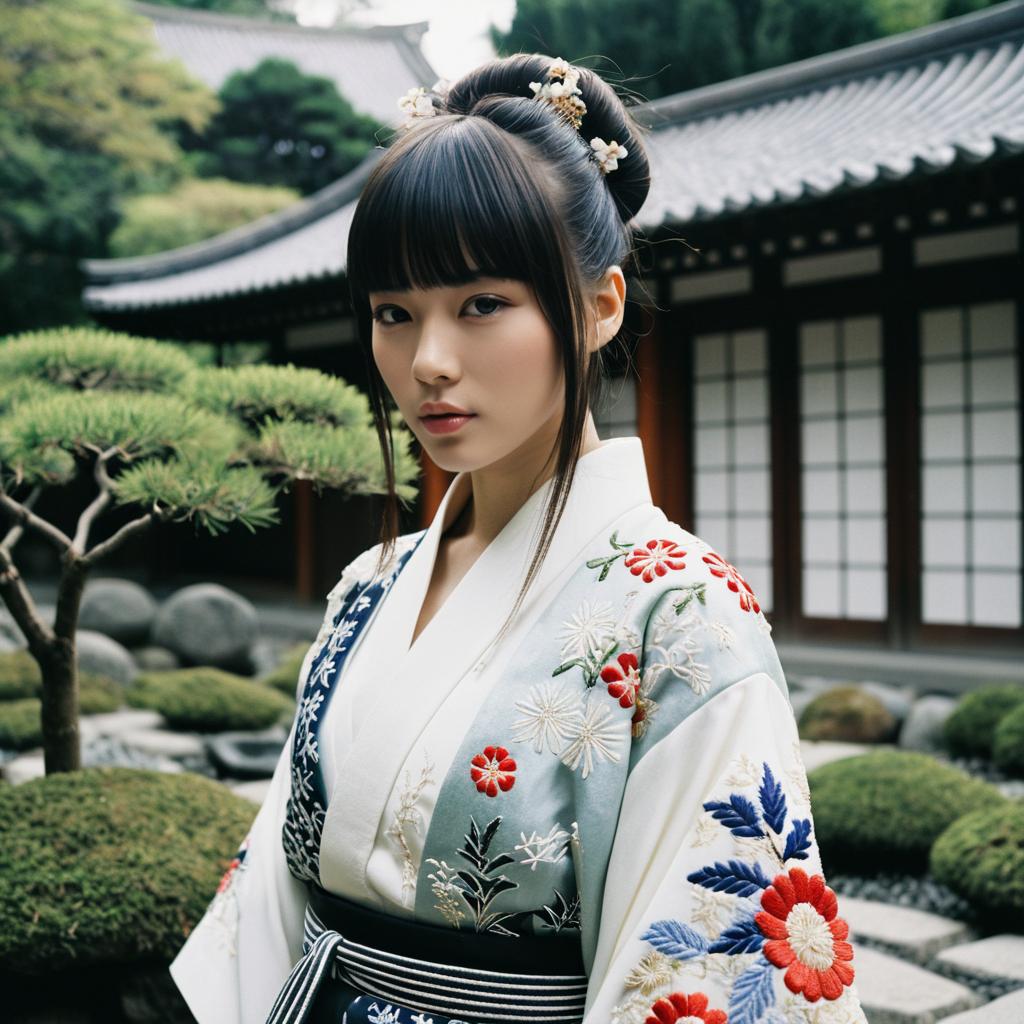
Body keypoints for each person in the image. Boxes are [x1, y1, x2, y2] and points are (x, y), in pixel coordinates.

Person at [169, 54, 869, 1024]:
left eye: (481, 304)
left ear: (600, 306)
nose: (428, 362)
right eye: (392, 314)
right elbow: (276, 907)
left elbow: (698, 965)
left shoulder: (682, 617)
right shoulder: (370, 583)